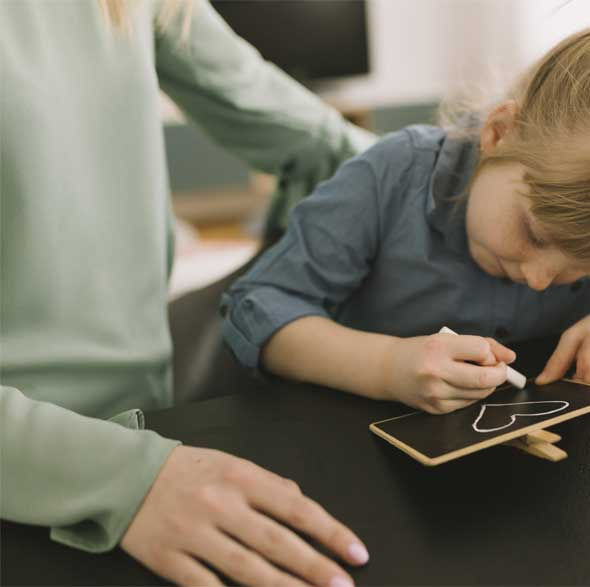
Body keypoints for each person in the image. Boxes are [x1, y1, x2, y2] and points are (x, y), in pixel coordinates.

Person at [221, 0, 590, 416]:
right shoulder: (390, 178)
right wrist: (386, 368)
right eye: (536, 231)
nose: (542, 280)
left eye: (584, 271)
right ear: (500, 132)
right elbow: (260, 304)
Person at [1, 0, 374, 585]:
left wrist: (553, 255)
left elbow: (307, 132)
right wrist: (127, 479)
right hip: (39, 475)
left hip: (154, 427)